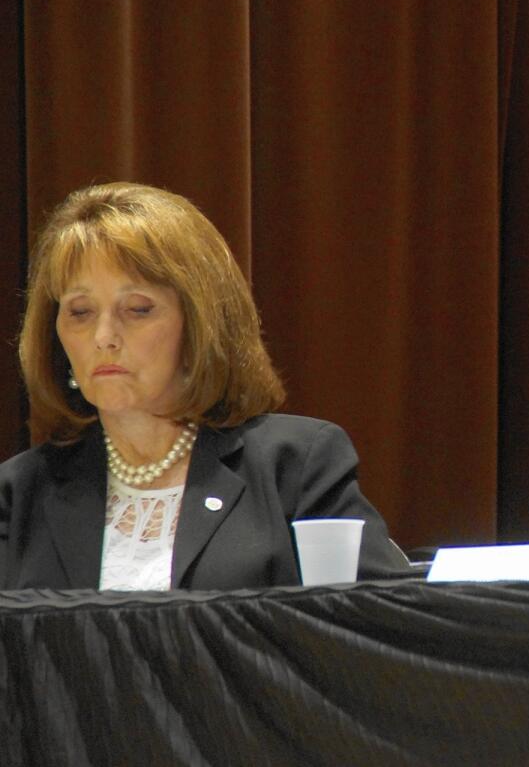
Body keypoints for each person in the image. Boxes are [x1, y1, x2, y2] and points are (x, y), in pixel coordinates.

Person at [0, 182, 408, 590]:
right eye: (80, 311)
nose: (104, 336)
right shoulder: (21, 493)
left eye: (138, 309)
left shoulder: (295, 468)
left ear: (199, 326)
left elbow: (381, 626)